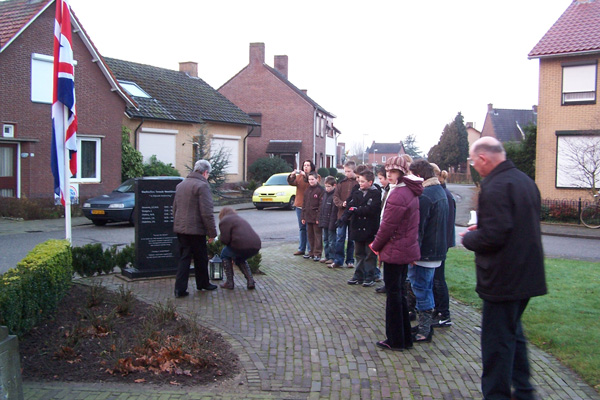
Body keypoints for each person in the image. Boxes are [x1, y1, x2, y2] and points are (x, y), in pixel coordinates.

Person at [461, 137, 547, 400]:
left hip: (503, 278)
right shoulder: (524, 181)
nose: (475, 166)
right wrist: (485, 229)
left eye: (474, 162)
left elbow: (495, 236)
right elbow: (515, 226)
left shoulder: (495, 186)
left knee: (497, 344)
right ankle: (524, 390)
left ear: (484, 159)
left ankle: (497, 395)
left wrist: (469, 238)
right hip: (526, 275)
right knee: (514, 335)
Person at [371, 156, 423, 351]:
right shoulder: (408, 191)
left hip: (395, 249)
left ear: (401, 173)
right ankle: (404, 338)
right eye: (388, 171)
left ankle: (395, 340)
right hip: (403, 248)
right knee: (399, 293)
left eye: (392, 172)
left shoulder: (399, 194)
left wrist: (375, 245)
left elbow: (387, 226)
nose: (389, 175)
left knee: (394, 295)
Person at [408, 159, 448, 343]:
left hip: (424, 253)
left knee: (422, 289)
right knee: (426, 288)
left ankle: (424, 330)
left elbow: (419, 228)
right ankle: (426, 326)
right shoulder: (439, 191)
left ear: (418, 175)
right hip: (436, 250)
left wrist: (413, 253)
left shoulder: (425, 196)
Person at [172, 159, 218, 297]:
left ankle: (179, 289)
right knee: (201, 257)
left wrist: (178, 224)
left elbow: (174, 208)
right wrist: (212, 233)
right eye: (208, 174)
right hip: (196, 230)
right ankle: (203, 283)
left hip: (181, 229)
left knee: (184, 258)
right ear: (205, 172)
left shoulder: (181, 185)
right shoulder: (202, 186)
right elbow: (207, 212)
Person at [342, 169, 381, 286]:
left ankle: (370, 276)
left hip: (369, 228)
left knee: (369, 254)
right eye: (359, 181)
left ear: (370, 182)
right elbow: (350, 205)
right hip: (357, 227)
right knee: (359, 253)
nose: (360, 183)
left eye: (363, 181)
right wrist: (344, 217)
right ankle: (358, 274)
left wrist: (357, 210)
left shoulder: (376, 193)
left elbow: (372, 209)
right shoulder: (357, 192)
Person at [430, 164, 456, 328]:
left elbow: (447, 223)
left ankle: (444, 313)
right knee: (434, 279)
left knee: (439, 279)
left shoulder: (444, 195)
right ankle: (438, 310)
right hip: (438, 242)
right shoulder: (442, 193)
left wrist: (441, 244)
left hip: (440, 244)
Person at [218, 207, 261, 290]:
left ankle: (229, 283)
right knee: (239, 259)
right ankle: (250, 281)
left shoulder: (224, 221)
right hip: (256, 245)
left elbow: (225, 240)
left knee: (224, 254)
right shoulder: (239, 218)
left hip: (241, 245)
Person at [331, 161, 357, 269]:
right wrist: (342, 204)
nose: (346, 173)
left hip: (353, 215)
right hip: (342, 215)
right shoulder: (341, 182)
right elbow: (335, 196)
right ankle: (338, 260)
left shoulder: (358, 182)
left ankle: (350, 260)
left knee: (351, 239)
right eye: (345, 171)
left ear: (353, 170)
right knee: (340, 237)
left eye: (349, 171)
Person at [288, 160, 316, 257]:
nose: (306, 167)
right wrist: (292, 176)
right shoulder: (299, 177)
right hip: (300, 205)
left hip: (310, 207)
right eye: (304, 165)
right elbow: (292, 183)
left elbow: (312, 183)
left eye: (308, 165)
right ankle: (301, 248)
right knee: (302, 228)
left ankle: (310, 249)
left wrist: (306, 176)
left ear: (311, 167)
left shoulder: (315, 176)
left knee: (309, 228)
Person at [301, 171, 324, 261]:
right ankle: (311, 252)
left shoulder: (320, 190)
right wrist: (303, 217)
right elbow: (304, 204)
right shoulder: (307, 190)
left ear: (316, 179)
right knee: (310, 235)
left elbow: (321, 205)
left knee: (317, 235)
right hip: (308, 216)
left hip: (316, 217)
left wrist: (318, 218)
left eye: (312, 179)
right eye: (309, 179)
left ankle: (317, 253)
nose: (311, 181)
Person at [375, 166, 389, 294]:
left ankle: (387, 283)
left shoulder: (390, 191)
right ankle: (386, 282)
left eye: (381, 178)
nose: (379, 181)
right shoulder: (385, 190)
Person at [318, 176, 338, 264]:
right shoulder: (325, 194)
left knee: (331, 241)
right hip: (324, 221)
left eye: (329, 186)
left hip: (331, 223)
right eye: (326, 186)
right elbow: (322, 208)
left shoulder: (334, 196)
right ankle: (326, 256)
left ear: (334, 186)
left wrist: (332, 224)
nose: (327, 188)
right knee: (325, 240)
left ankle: (332, 257)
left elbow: (334, 212)